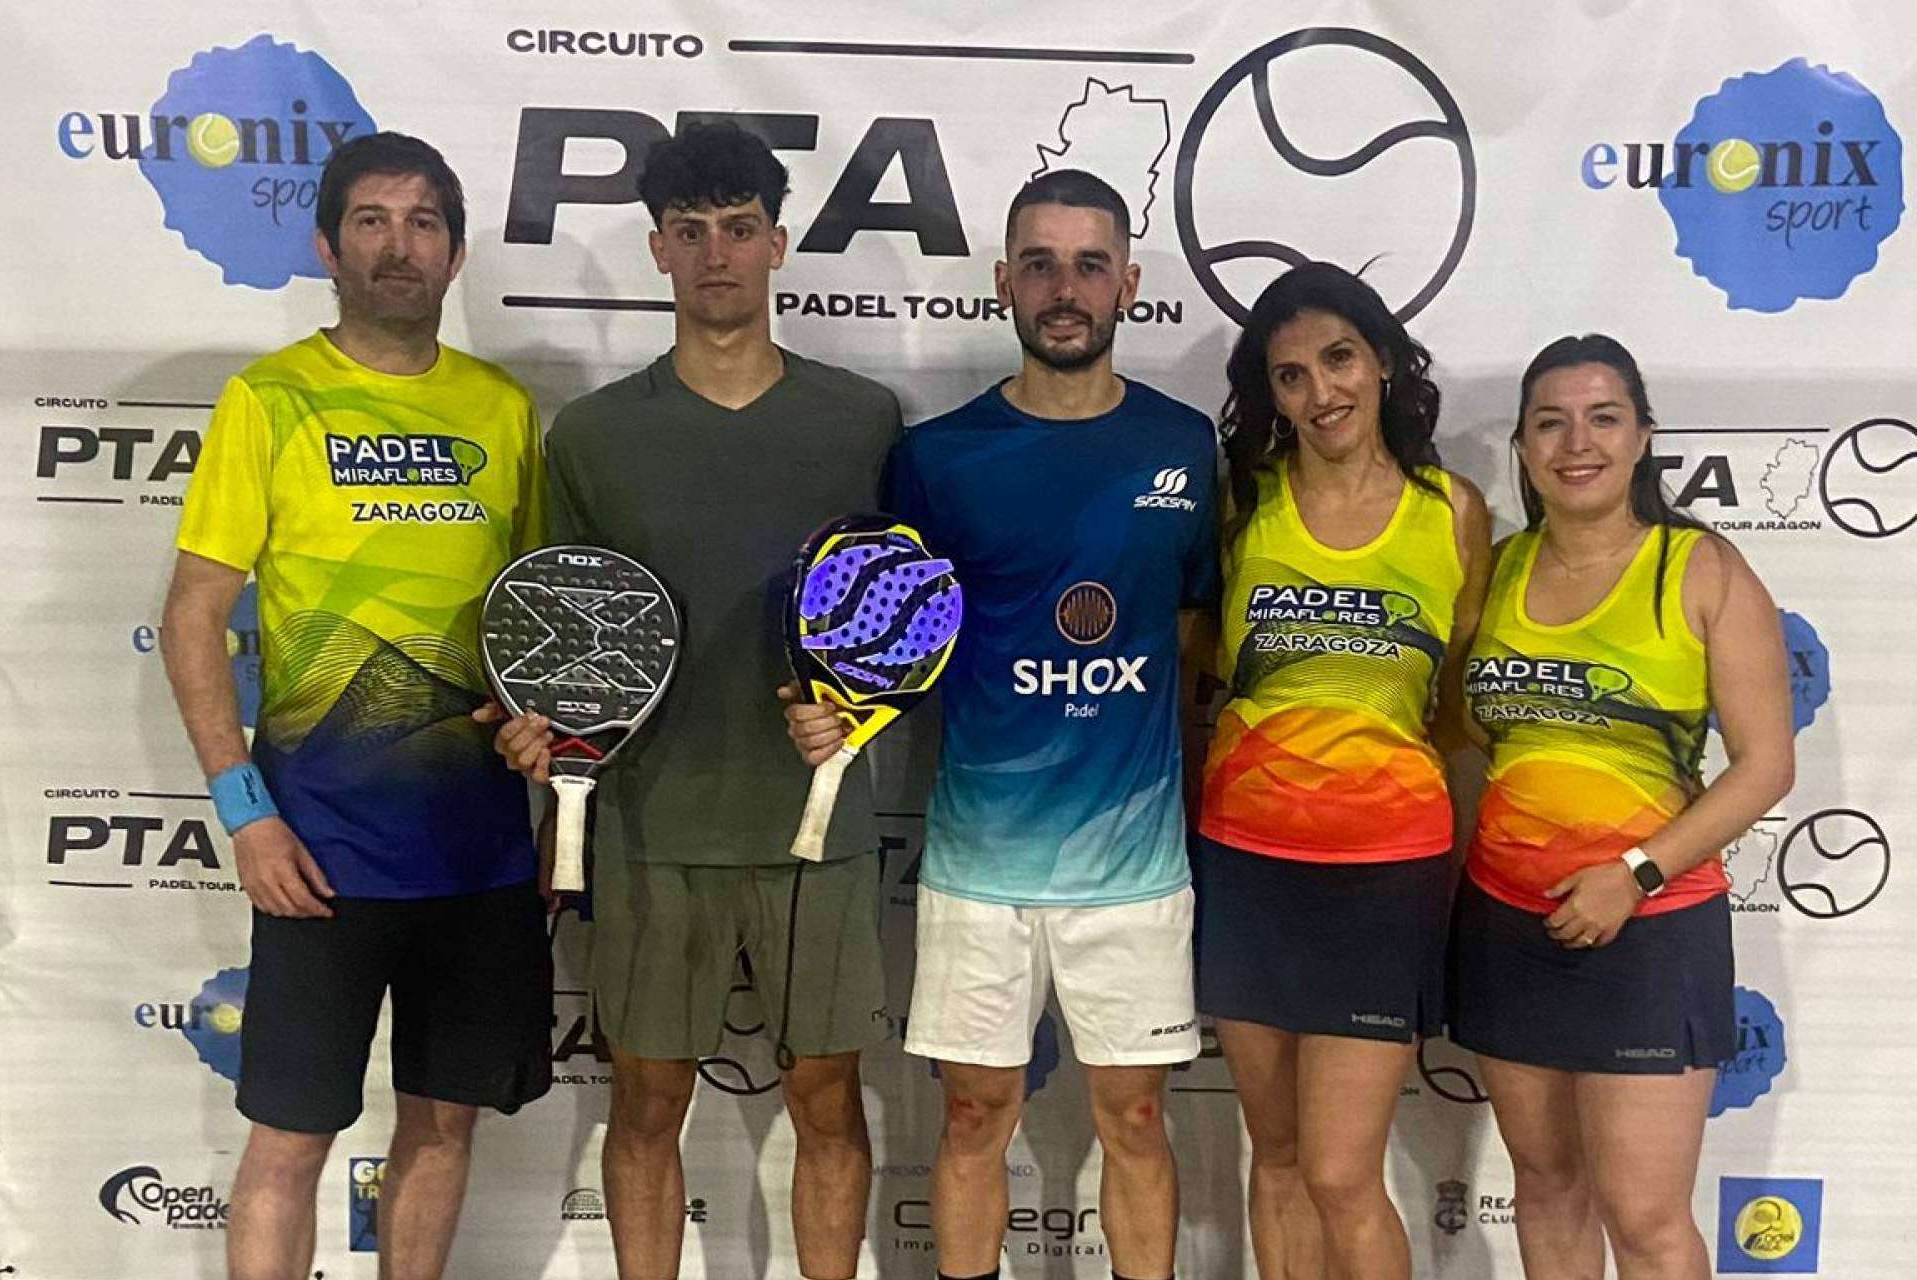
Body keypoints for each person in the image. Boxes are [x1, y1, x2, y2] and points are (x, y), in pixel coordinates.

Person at [786, 169, 1218, 1280]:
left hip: (1134, 866)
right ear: (1002, 283)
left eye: (1089, 265)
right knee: (975, 1115)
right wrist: (840, 718)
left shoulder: (1183, 445)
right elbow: (896, 638)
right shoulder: (938, 455)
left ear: (1129, 284)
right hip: (981, 864)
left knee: (1136, 1120)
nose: (1064, 288)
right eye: (1040, 264)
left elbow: (1195, 630)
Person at [490, 122, 900, 1280]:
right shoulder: (595, 435)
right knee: (646, 1102)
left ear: (778, 244)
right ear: (659, 251)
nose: (716, 252)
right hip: (647, 824)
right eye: (690, 230)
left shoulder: (864, 421)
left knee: (830, 1099)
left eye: (738, 227)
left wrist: (862, 713)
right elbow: (564, 633)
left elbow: (903, 620)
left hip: (816, 823)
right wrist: (547, 751)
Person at [159, 132, 550, 1280]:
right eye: (372, 220)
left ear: (456, 252)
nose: (399, 245)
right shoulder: (270, 398)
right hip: (316, 854)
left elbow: (532, 622)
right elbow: (193, 614)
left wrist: (540, 723)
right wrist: (247, 812)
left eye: (424, 222)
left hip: (477, 855)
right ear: (328, 246)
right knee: (289, 1142)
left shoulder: (502, 409)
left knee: (444, 1122)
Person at [1450, 334, 1794, 1280]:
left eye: (1604, 418)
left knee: (1644, 1218)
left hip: (1651, 927)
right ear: (1523, 447)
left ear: (1643, 436)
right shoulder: (1497, 569)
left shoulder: (1703, 568)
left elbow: (1766, 766)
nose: (1577, 443)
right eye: (1549, 423)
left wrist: (1633, 874)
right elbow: (1463, 733)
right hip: (1508, 923)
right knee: (1547, 1188)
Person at [1192, 262, 1491, 1280]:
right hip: (1247, 862)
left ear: (1385, 361)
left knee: (1339, 1171)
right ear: (1269, 394)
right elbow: (1199, 657)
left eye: (1339, 358)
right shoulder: (1242, 501)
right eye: (1291, 375)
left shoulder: (1452, 512)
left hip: (1385, 874)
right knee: (1275, 1155)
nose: (1321, 391)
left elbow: (1458, 702)